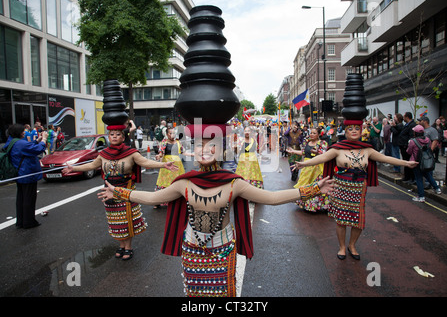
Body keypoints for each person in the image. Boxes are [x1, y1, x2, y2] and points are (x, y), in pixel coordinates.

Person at [98, 127, 335, 297]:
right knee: (195, 296)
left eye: (211, 145)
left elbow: (271, 198)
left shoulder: (235, 183)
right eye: (199, 145)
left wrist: (313, 189)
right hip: (192, 248)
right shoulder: (184, 183)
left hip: (223, 249)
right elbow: (152, 198)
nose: (204, 150)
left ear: (222, 151)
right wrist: (119, 192)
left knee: (223, 295)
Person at [292, 121, 417, 260]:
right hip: (341, 187)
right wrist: (303, 163)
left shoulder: (367, 149)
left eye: (357, 128)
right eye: (350, 129)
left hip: (359, 188)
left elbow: (385, 158)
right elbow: (322, 157)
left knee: (358, 220)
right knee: (341, 220)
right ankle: (342, 247)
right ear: (345, 132)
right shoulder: (338, 149)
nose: (354, 131)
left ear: (361, 131)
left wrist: (406, 163)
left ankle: (352, 245)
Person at [62, 126, 178, 260]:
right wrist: (73, 168)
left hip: (126, 190)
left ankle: (128, 246)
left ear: (123, 138)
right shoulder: (103, 154)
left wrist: (163, 165)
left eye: (118, 134)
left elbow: (146, 162)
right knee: (115, 220)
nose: (115, 136)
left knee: (126, 219)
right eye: (112, 134)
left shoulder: (131, 153)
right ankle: (121, 245)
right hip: (108, 191)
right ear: (109, 137)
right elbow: (92, 166)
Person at [5, 124, 47, 228]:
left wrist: (37, 140)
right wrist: (44, 140)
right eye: (22, 131)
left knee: (21, 199)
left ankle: (21, 221)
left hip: (20, 175)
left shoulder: (12, 141)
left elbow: (28, 147)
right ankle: (29, 222)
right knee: (29, 199)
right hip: (28, 174)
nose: (24, 133)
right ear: (18, 133)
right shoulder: (20, 143)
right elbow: (38, 149)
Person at [287, 127, 329, 212]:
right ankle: (305, 204)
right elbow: (303, 152)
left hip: (317, 167)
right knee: (305, 184)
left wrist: (317, 153)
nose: (312, 135)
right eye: (311, 133)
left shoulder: (322, 143)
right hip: (306, 167)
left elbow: (325, 155)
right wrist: (293, 151)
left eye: (314, 133)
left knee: (316, 186)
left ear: (318, 135)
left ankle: (315, 206)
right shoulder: (307, 142)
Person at [154, 127, 191, 208]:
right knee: (163, 182)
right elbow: (161, 153)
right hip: (166, 165)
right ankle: (158, 201)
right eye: (171, 133)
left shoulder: (178, 142)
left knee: (178, 182)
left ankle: (179, 200)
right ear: (167, 134)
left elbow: (183, 152)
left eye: (174, 133)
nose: (172, 135)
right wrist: (158, 156)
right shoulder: (164, 142)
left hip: (177, 165)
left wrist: (194, 154)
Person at [406, 125, 442, 202]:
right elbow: (428, 148)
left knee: (419, 179)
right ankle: (437, 188)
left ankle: (421, 196)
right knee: (428, 175)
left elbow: (409, 151)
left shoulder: (412, 141)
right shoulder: (428, 140)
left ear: (415, 133)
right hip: (425, 161)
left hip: (416, 162)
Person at [398, 112, 416, 183]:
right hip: (403, 146)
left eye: (404, 116)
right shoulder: (407, 124)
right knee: (405, 162)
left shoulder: (412, 125)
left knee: (408, 162)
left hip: (407, 147)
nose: (403, 118)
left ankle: (411, 178)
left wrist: (407, 145)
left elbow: (411, 136)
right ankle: (406, 177)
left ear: (407, 117)